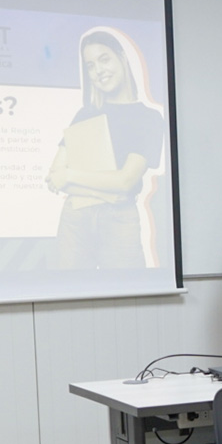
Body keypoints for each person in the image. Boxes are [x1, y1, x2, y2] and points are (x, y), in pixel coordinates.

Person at [46, 28, 165, 269]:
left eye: (104, 59)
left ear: (121, 56)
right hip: (75, 219)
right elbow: (54, 177)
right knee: (70, 294)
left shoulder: (148, 118)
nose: (98, 70)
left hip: (119, 221)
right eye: (90, 65)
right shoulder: (85, 114)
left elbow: (125, 181)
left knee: (128, 295)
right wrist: (108, 192)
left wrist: (71, 176)